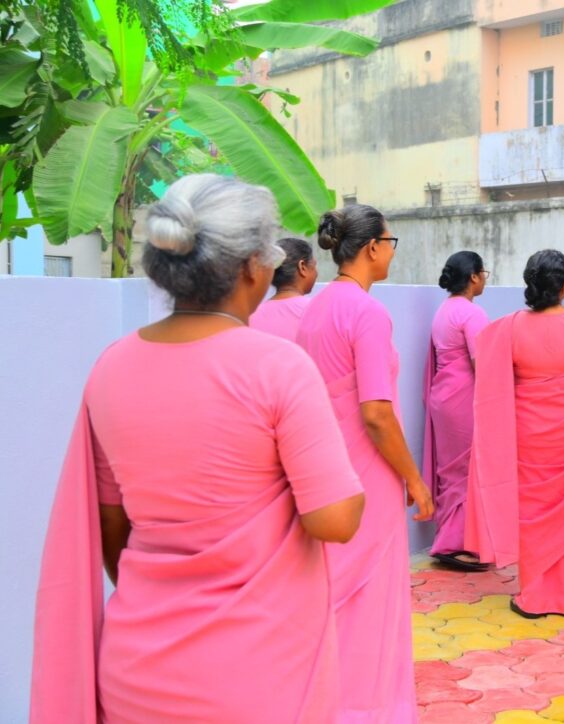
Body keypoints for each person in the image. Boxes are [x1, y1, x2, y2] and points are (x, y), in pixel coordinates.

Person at [30, 174, 366, 722]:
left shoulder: (111, 366)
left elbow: (111, 526)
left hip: (137, 665)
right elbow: (334, 519)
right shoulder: (276, 367)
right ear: (251, 266)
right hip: (256, 672)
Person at [297, 204, 433, 723]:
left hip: (327, 469)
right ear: (374, 248)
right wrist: (414, 479)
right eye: (391, 241)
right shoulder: (367, 312)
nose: (392, 251)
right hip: (365, 472)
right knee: (371, 598)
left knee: (334, 592)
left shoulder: (317, 306)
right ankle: (368, 708)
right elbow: (376, 413)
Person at [466, 250, 564, 618]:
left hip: (528, 434)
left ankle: (534, 596)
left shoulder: (510, 328)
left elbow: (494, 375)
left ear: (529, 287)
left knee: (532, 513)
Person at [423, 251, 490, 571]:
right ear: (474, 277)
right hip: (464, 397)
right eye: (484, 272)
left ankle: (451, 538)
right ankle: (455, 543)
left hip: (443, 395)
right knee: (465, 470)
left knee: (451, 470)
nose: (485, 278)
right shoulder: (471, 313)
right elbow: (483, 364)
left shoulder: (444, 309)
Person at [249, 237, 318, 341]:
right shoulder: (316, 312)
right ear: (302, 267)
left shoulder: (252, 315)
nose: (317, 272)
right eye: (314, 265)